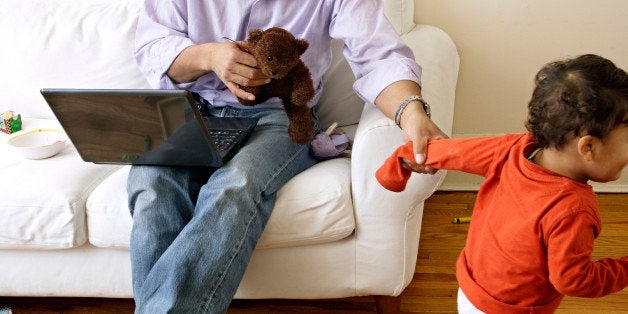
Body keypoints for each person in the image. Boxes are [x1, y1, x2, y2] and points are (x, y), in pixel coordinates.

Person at [128, 1, 445, 312]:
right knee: (150, 181)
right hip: (195, 109)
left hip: (282, 117)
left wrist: (410, 113)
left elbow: (378, 57)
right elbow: (152, 46)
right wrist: (208, 56)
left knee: (236, 184)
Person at [376, 54, 628, 313]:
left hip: (471, 291)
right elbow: (575, 280)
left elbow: (448, 151)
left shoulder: (514, 148)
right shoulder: (573, 210)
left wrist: (395, 166)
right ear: (588, 147)